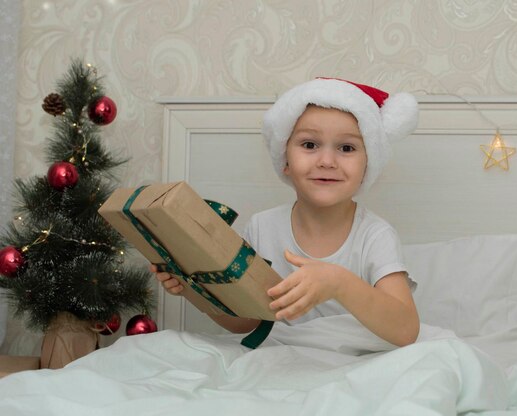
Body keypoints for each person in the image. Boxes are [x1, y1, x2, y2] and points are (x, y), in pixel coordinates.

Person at [152, 78, 420, 347]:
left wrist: (338, 282)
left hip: (354, 364)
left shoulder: (374, 236)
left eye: (346, 148)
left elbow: (405, 330)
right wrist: (195, 289)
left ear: (368, 165)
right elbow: (246, 321)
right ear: (285, 160)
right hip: (282, 362)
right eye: (309, 145)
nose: (326, 161)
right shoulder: (262, 227)